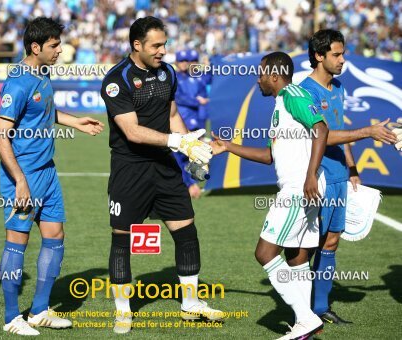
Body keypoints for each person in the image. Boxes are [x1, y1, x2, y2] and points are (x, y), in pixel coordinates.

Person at [100, 16, 222, 334]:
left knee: (186, 231)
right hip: (131, 169)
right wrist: (175, 141)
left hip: (166, 167)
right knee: (122, 239)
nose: (163, 51)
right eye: (156, 45)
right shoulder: (117, 79)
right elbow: (132, 131)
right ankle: (123, 311)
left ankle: (191, 303)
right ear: (137, 45)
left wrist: (191, 149)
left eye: (165, 44)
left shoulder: (167, 72)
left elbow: (171, 114)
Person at [0, 17, 104, 336]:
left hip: (48, 172)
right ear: (35, 47)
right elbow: (0, 135)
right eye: (54, 45)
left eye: (59, 44)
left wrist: (76, 123)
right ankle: (12, 317)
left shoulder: (42, 73)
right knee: (18, 242)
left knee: (55, 236)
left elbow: (43, 113)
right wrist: (20, 181)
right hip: (24, 175)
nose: (60, 50)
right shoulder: (17, 81)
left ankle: (39, 310)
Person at [211, 52, 329, 339]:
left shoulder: (292, 94)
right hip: (304, 187)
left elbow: (321, 128)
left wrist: (310, 175)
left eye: (261, 73)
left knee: (264, 253)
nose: (258, 78)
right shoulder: (280, 104)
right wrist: (228, 146)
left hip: (300, 188)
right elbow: (268, 156)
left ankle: (306, 319)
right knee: (298, 257)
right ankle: (305, 323)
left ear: (275, 76)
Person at [299, 29, 398, 325]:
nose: (343, 60)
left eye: (343, 54)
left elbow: (340, 132)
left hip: (340, 177)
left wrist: (352, 169)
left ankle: (321, 307)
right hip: (318, 178)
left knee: (331, 243)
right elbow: (322, 136)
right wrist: (369, 131)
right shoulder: (305, 91)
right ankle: (301, 308)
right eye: (337, 55)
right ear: (319, 56)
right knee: (307, 244)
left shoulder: (339, 87)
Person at [174, 49, 210, 198]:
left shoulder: (196, 77)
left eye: (187, 61)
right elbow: (178, 97)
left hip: (195, 119)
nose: (185, 64)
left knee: (193, 155)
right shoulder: (174, 78)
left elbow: (204, 92)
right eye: (181, 61)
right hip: (180, 120)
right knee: (179, 154)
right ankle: (189, 184)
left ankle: (192, 183)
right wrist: (196, 100)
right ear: (176, 63)